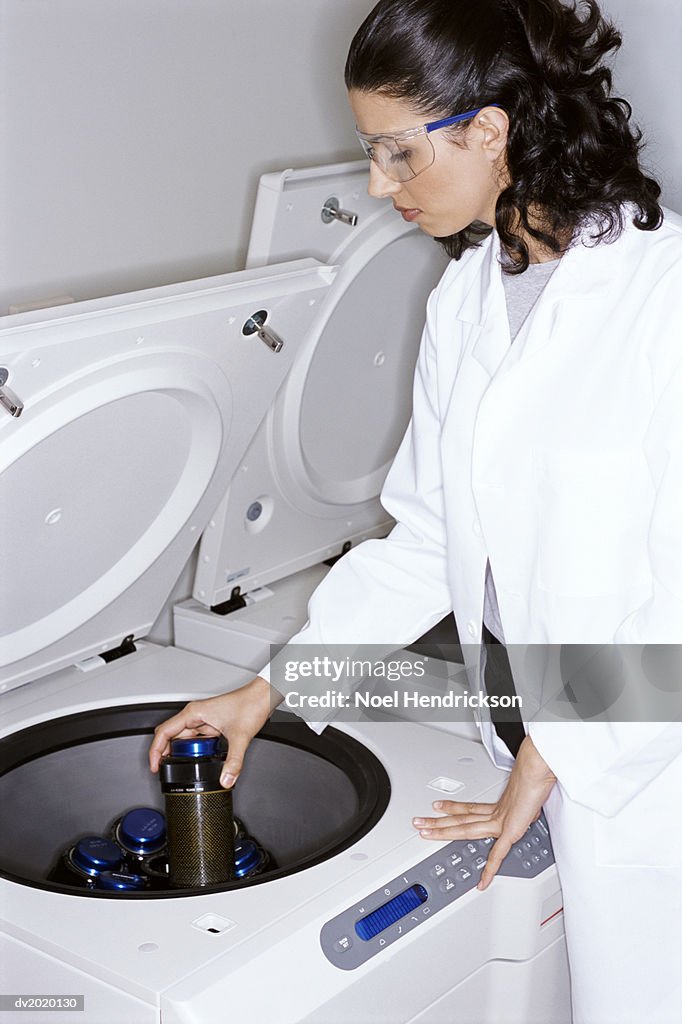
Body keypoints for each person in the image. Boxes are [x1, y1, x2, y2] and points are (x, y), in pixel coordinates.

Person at [149, 2, 682, 1021]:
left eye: (397, 153)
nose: (375, 184)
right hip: (531, 732)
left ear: (490, 130)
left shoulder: (661, 297)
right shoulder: (467, 297)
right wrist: (263, 696)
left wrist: (562, 744)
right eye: (369, 153)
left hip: (647, 759)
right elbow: (426, 537)